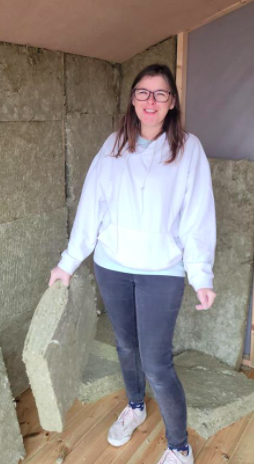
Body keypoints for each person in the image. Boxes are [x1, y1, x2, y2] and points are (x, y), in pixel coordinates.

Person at [49, 63, 217, 464]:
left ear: (172, 102)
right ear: (133, 99)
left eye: (160, 94)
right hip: (113, 266)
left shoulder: (188, 149)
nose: (150, 101)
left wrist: (201, 275)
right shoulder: (114, 146)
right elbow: (92, 207)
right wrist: (68, 263)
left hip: (163, 271)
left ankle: (179, 447)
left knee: (157, 361)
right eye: (143, 92)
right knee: (126, 345)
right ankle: (136, 406)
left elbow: (198, 216)